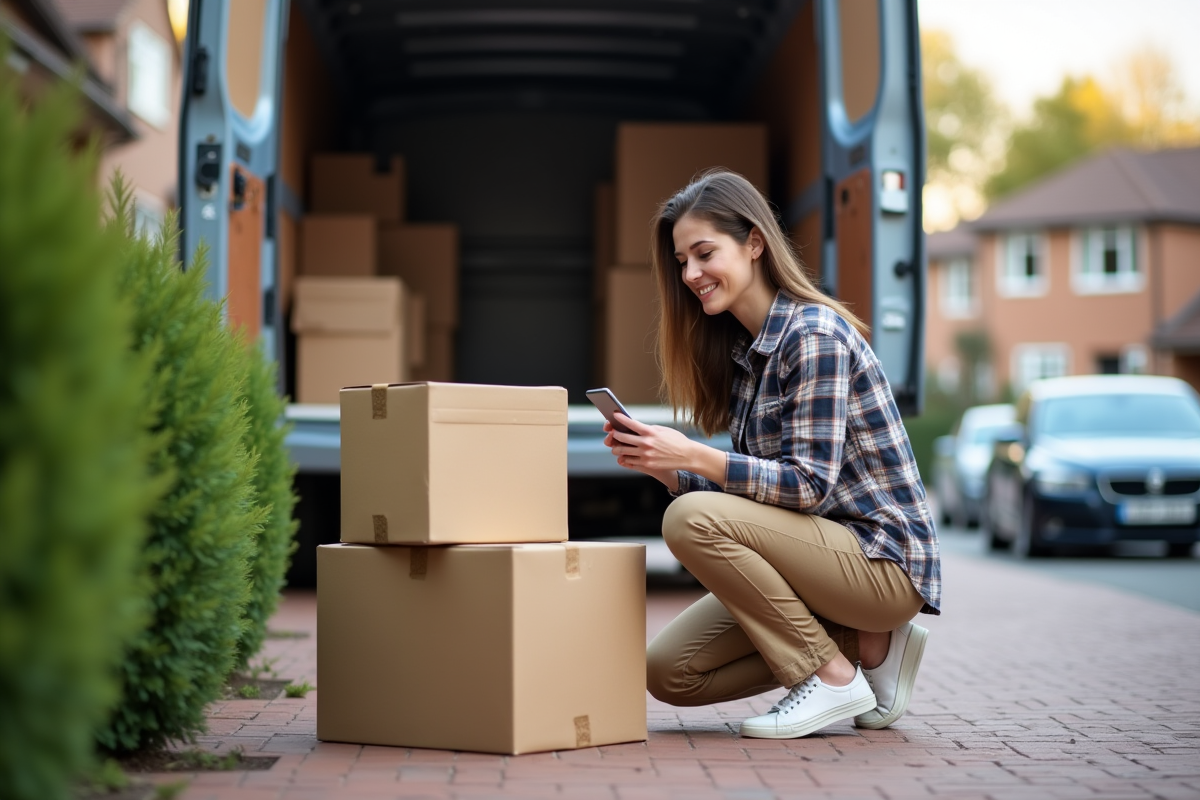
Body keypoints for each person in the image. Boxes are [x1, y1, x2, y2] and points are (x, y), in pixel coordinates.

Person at [602, 169, 941, 739]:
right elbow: (761, 500)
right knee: (669, 673)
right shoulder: (745, 355)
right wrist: (672, 471)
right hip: (824, 560)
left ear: (755, 242)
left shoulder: (812, 337)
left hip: (882, 564)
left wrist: (695, 455)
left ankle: (832, 677)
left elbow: (808, 486)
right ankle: (861, 643)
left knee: (689, 523)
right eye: (682, 261)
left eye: (704, 253)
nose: (691, 274)